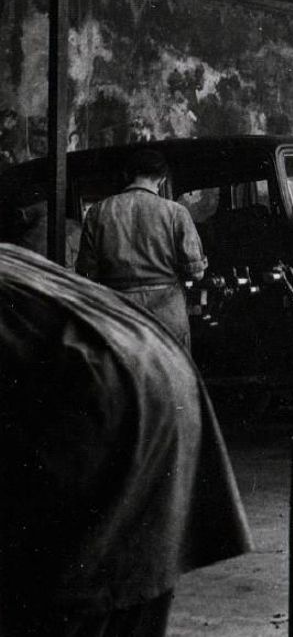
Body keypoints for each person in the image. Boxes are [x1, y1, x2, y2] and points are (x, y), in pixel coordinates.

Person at [0, 243, 251, 637]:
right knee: (131, 583)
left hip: (99, 383)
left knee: (66, 594)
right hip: (154, 356)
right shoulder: (13, 259)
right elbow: (194, 263)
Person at [76, 148, 207, 349]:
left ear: (127, 175)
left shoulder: (97, 212)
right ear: (162, 179)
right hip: (167, 316)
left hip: (119, 314)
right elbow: (196, 272)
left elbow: (86, 274)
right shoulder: (176, 212)